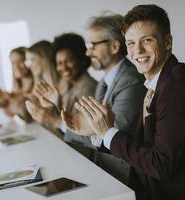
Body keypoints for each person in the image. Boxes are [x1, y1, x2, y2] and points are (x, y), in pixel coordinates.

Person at [66, 5, 185, 200]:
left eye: (147, 40)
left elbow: (160, 165)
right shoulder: (159, 82)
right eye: (131, 43)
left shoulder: (177, 90)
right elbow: (146, 146)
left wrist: (108, 132)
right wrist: (99, 132)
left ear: (167, 42)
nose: (137, 51)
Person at [61, 13, 146, 185]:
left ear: (114, 46)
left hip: (127, 177)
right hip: (105, 168)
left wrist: (69, 125)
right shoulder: (104, 82)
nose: (87, 51)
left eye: (92, 45)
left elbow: (114, 134)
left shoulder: (131, 80)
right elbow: (97, 130)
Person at [26, 33, 97, 144]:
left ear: (81, 60)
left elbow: (84, 137)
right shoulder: (69, 86)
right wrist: (52, 107)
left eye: (69, 61)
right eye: (59, 63)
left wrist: (52, 116)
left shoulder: (88, 87)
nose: (63, 68)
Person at [0, 47, 33, 122]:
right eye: (13, 63)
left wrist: (13, 103)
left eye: (20, 61)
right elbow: (9, 114)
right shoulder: (18, 86)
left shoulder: (37, 84)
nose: (16, 67)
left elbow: (27, 115)